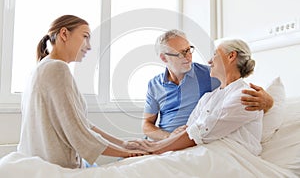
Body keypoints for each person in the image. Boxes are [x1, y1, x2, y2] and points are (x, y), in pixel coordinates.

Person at [17, 15, 148, 169]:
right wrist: (127, 153)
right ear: (64, 34)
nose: (89, 46)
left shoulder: (40, 67)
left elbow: (82, 123)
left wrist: (124, 144)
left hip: (36, 164)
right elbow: (77, 132)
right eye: (85, 36)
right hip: (58, 167)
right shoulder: (58, 68)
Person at [142, 30, 273, 141]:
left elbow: (239, 84)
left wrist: (268, 102)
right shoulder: (154, 85)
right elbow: (147, 125)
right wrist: (168, 137)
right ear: (164, 58)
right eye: (181, 53)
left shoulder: (210, 74)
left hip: (187, 142)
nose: (188, 57)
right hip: (164, 140)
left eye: (188, 50)